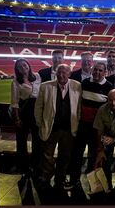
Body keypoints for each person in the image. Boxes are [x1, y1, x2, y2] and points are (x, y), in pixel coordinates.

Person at [34, 64, 81, 192]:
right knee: (47, 154)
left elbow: (79, 107)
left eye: (64, 73)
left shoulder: (77, 86)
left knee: (65, 155)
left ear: (69, 74)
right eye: (59, 73)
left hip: (68, 129)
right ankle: (46, 176)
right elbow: (38, 107)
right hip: (51, 128)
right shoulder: (46, 86)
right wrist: (40, 123)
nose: (61, 75)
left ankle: (60, 177)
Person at [69, 62, 113, 188]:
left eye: (100, 71)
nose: (97, 73)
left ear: (105, 72)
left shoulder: (108, 86)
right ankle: (74, 180)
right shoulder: (85, 83)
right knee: (77, 154)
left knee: (93, 156)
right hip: (83, 126)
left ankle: (92, 182)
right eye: (95, 70)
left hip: (97, 129)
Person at [11, 58, 41, 175]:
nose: (23, 68)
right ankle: (22, 165)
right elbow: (14, 102)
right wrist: (17, 118)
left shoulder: (37, 76)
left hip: (37, 111)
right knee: (21, 140)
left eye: (25, 65)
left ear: (28, 65)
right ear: (17, 69)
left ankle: (35, 164)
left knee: (37, 140)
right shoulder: (16, 82)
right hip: (24, 112)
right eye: (20, 67)